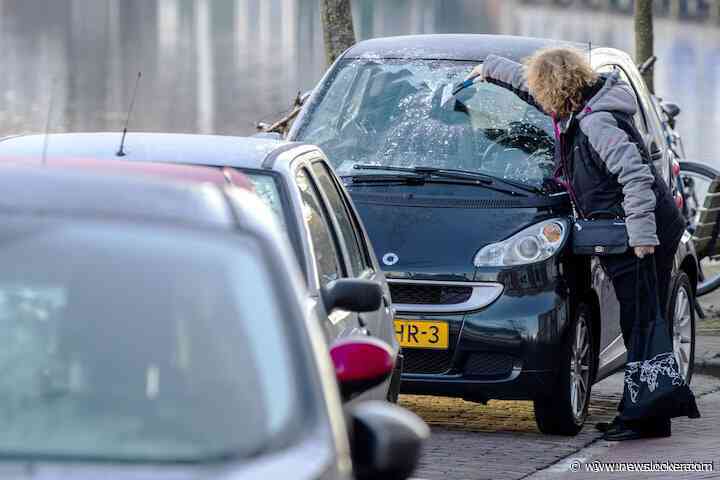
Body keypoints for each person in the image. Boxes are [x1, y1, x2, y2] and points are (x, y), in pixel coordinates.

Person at [467, 47, 697, 440]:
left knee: (641, 322)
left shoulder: (598, 123)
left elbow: (636, 178)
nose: (539, 100)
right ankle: (651, 416)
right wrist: (490, 69)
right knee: (641, 319)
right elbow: (530, 86)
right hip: (634, 228)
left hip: (641, 233)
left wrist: (643, 239)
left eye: (544, 93)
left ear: (559, 90)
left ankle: (642, 415)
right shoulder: (584, 100)